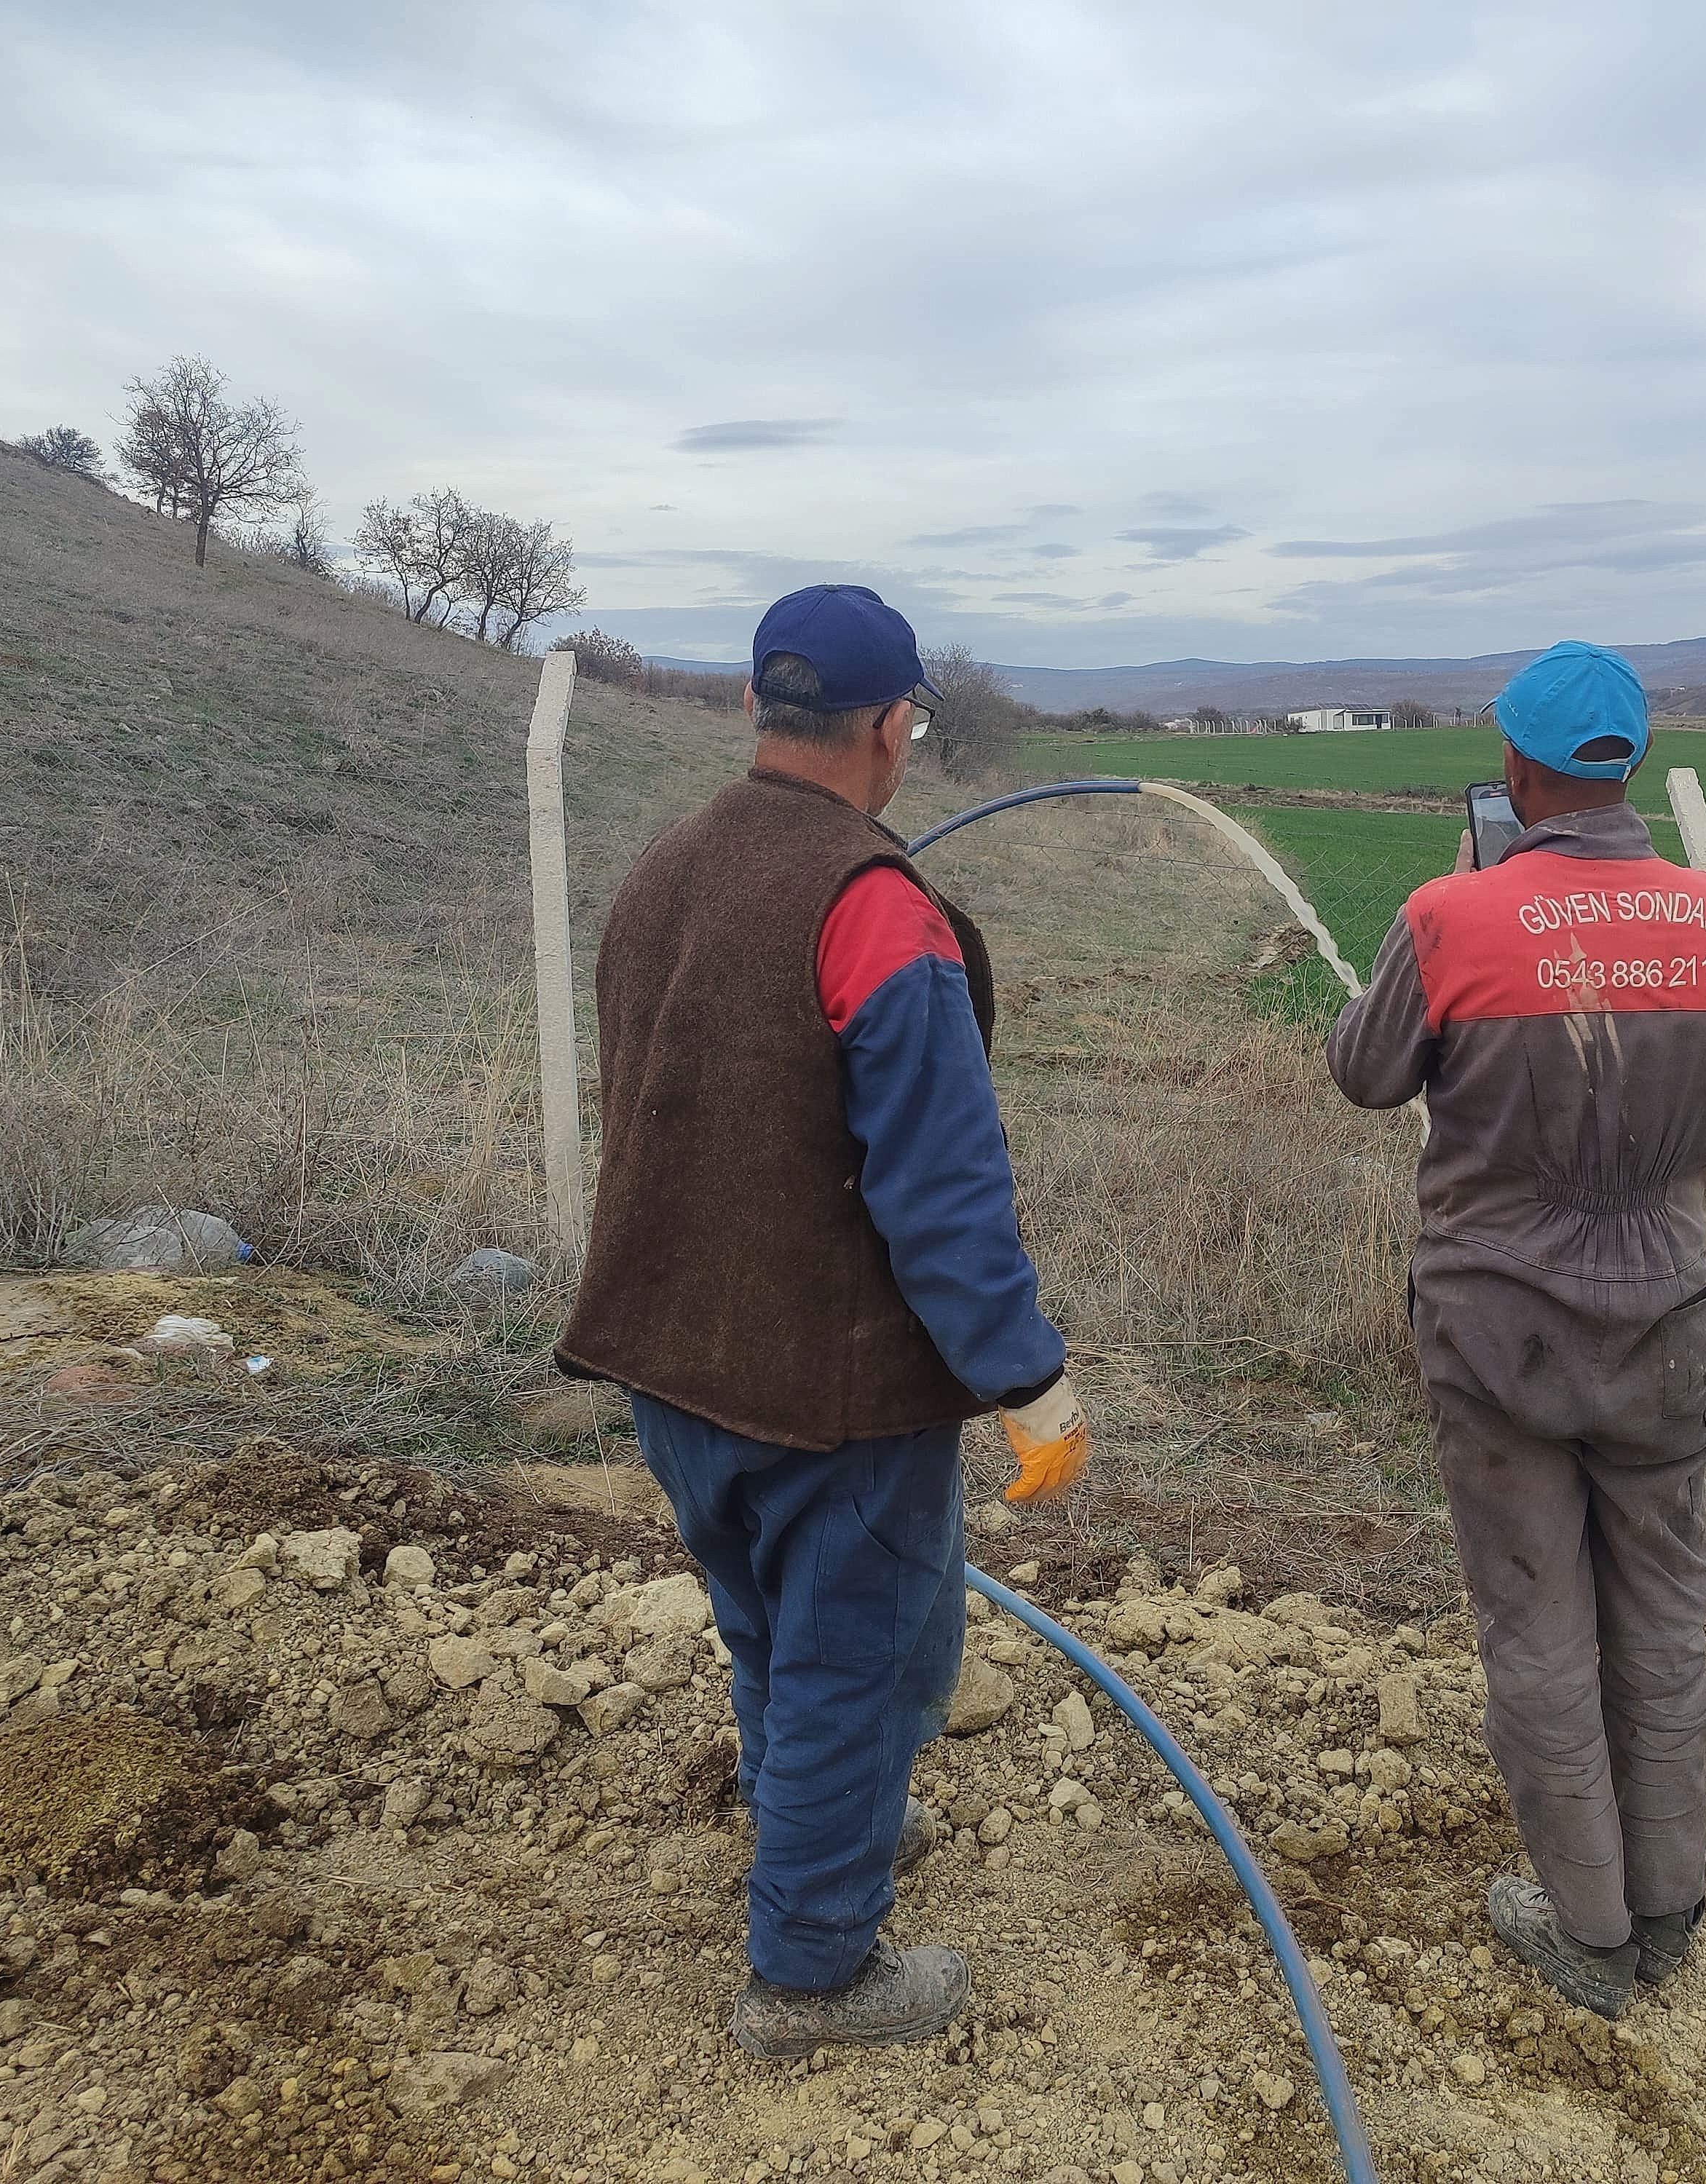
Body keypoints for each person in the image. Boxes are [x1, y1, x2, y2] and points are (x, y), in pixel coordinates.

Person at [556, 583, 1091, 2058]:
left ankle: (809, 1815)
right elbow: (941, 1186)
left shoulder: (665, 868)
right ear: (889, 728)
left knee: (769, 1630)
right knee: (854, 1662)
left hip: (669, 1355)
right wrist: (1028, 1388)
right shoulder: (872, 908)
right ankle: (811, 1973)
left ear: (753, 707)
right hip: (824, 1386)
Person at [1324, 641, 1706, 2022]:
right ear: (1624, 764)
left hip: (1498, 1330)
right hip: (1668, 1325)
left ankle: (1587, 1930)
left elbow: (1367, 1075)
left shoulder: (1453, 914)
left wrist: (1447, 923)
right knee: (1664, 1613)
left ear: (1514, 768)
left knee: (1537, 1625)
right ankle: (1670, 1903)